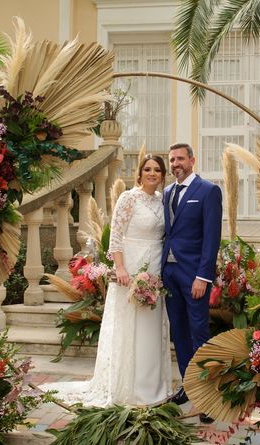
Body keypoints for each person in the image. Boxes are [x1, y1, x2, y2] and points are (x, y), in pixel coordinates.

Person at [43, 154, 172, 406]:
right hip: (131, 268)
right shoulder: (128, 198)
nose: (152, 173)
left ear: (162, 174)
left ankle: (151, 386)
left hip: (155, 268)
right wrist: (121, 268)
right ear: (140, 172)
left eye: (157, 169)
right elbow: (116, 237)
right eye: (148, 169)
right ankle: (127, 387)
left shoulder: (163, 200)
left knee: (152, 324)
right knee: (130, 325)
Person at [162, 143, 222, 418]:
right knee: (179, 334)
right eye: (172, 159)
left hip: (194, 276)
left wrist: (203, 276)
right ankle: (188, 386)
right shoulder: (166, 193)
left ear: (192, 160)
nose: (176, 163)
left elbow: (211, 238)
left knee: (199, 335)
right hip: (169, 274)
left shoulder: (208, 191)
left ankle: (207, 396)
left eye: (180, 159)